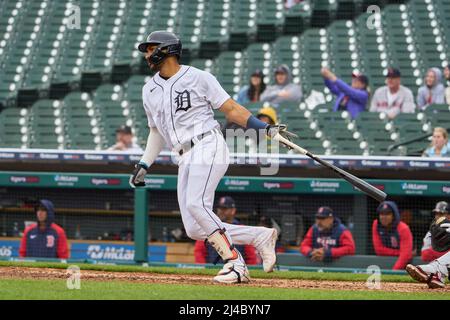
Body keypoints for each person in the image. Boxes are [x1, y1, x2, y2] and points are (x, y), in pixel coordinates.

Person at [130, 31, 296, 284]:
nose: (147, 54)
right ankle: (259, 236)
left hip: (207, 143)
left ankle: (236, 264)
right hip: (183, 156)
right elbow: (156, 130)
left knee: (198, 205)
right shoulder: (148, 89)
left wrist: (264, 129)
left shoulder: (199, 77)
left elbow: (230, 109)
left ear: (167, 49)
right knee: (195, 228)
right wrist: (144, 163)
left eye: (151, 48)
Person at [194, 196, 257, 265]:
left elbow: (251, 256)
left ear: (233, 211)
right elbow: (199, 251)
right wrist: (205, 268)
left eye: (224, 208)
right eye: (219, 208)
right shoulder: (209, 228)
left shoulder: (241, 229)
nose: (220, 211)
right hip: (213, 269)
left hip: (236, 269)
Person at [406, 210, 450, 289]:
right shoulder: (432, 231)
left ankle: (437, 270)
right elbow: (425, 255)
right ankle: (438, 272)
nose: (439, 216)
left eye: (442, 214)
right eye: (437, 214)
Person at [372, 201, 413, 270]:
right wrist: (399, 253)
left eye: (388, 214)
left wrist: (394, 270)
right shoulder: (376, 224)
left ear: (394, 215)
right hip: (395, 257)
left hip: (408, 264)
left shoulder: (403, 228)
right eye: (381, 214)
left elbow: (405, 255)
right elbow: (378, 250)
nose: (384, 217)